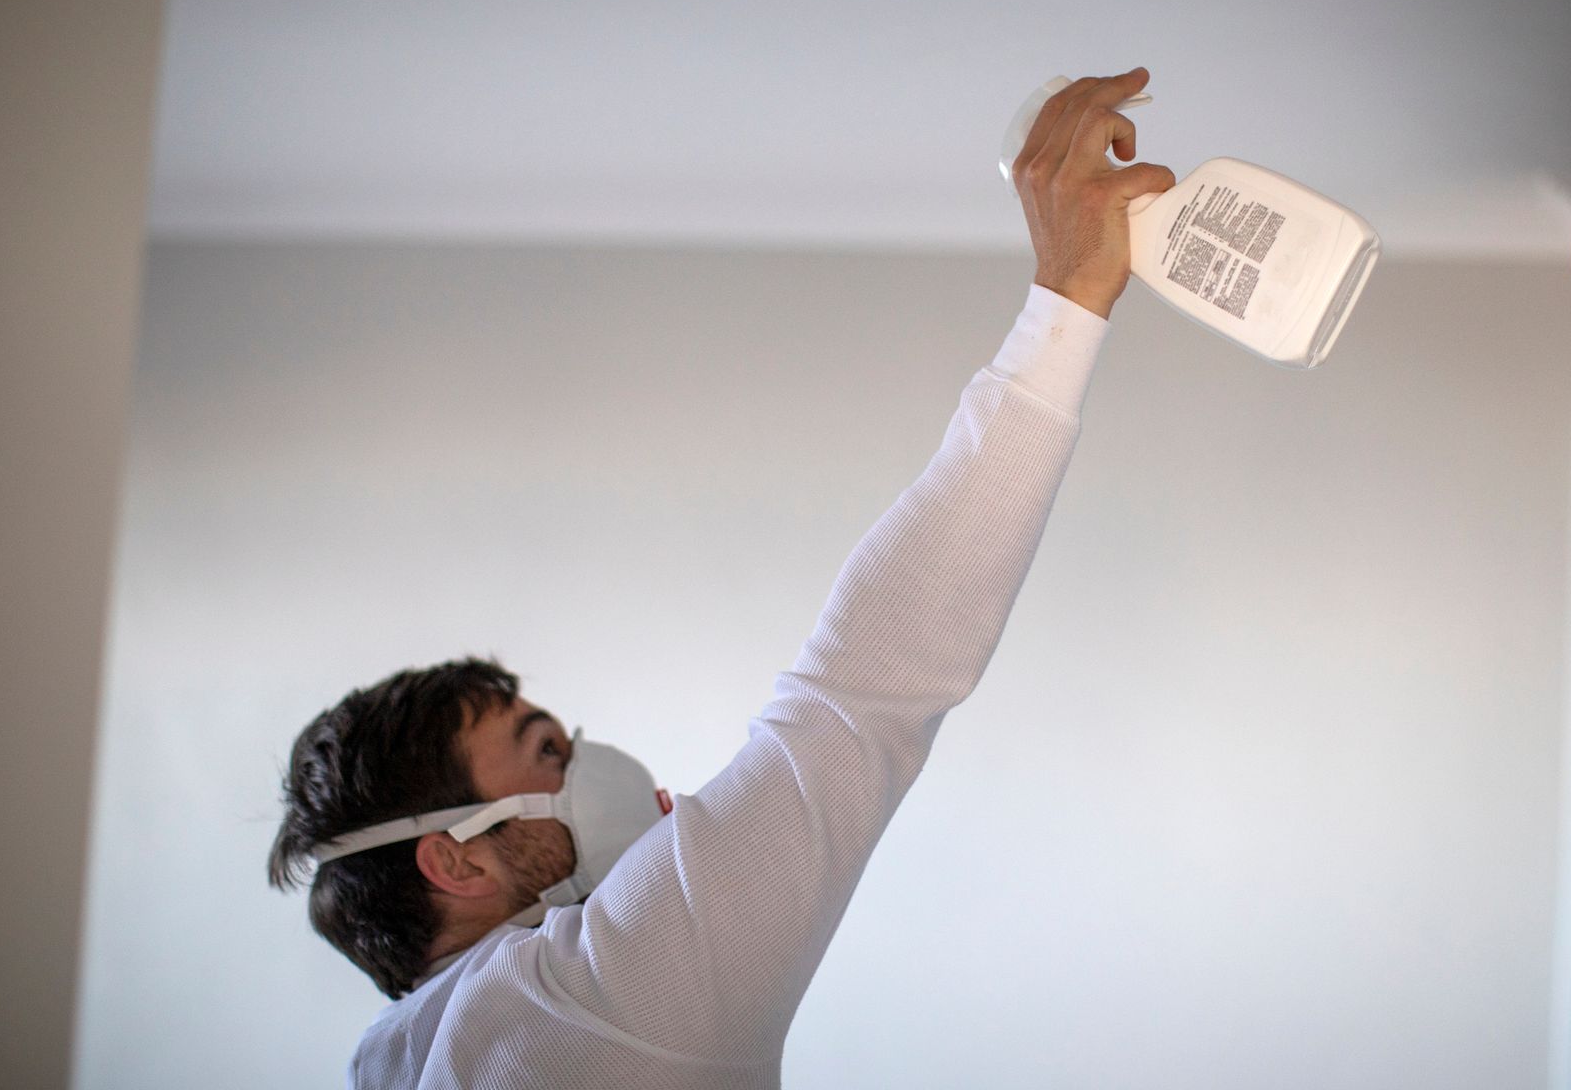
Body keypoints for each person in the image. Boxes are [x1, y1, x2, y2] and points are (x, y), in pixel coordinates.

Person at [268, 67, 1176, 1089]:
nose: (593, 760)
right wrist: (1065, 304)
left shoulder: (399, 1061)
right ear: (457, 859)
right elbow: (859, 693)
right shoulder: (602, 994)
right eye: (547, 751)